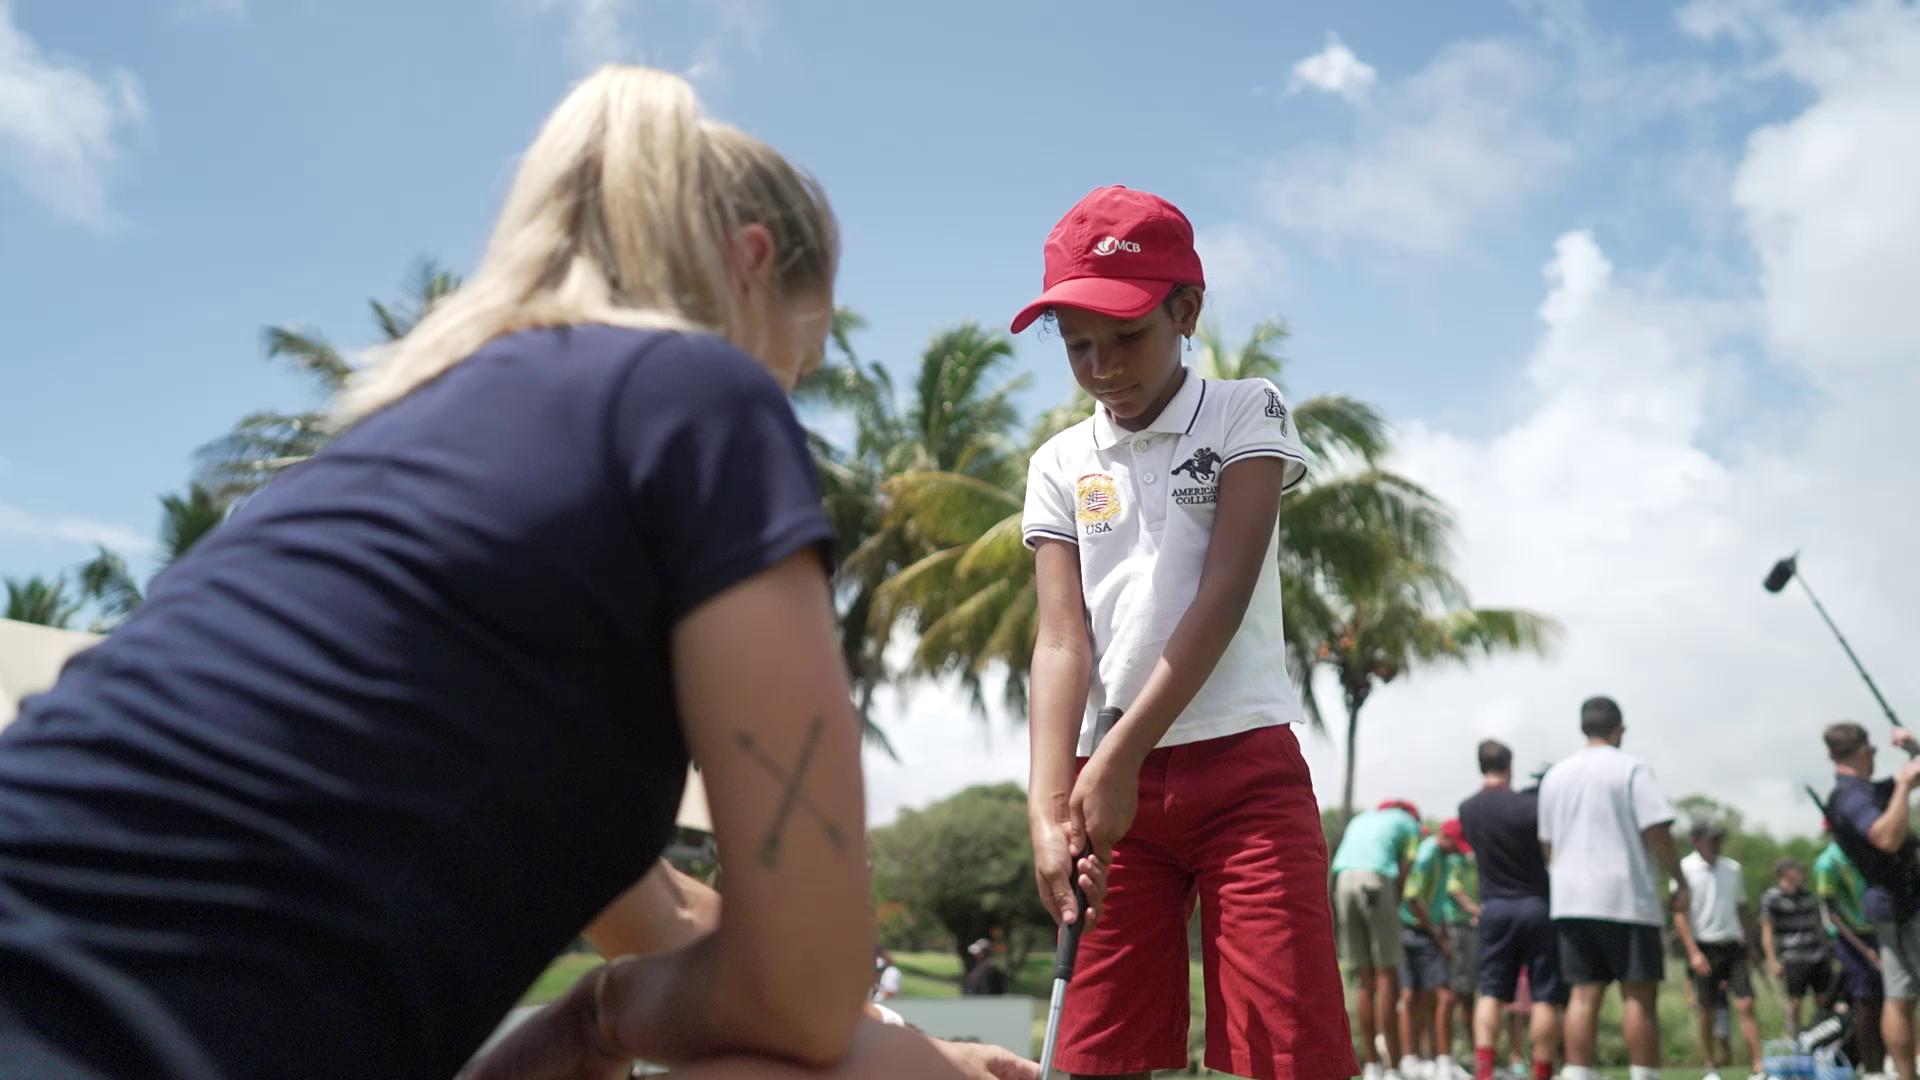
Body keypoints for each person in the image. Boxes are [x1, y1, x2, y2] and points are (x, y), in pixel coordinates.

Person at [0, 65, 1107, 1080]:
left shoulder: (399, 462)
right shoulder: (696, 396)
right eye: (797, 364)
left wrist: (601, 1016)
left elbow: (660, 910)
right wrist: (631, 1013)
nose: (783, 400)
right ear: (752, 267)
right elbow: (802, 1005)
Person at [1016, 184, 1357, 1080]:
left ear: (1187, 310)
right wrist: (1048, 807)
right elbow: (1061, 644)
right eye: (1077, 345)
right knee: (1095, 1055)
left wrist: (1123, 755)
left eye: (1127, 336)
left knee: (1288, 1053)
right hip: (1106, 794)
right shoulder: (1057, 464)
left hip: (1243, 773)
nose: (1102, 366)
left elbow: (1225, 588)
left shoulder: (1248, 411)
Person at [1538, 696, 1689, 1080]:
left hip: (1571, 899)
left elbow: (1547, 843)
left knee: (1583, 994)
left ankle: (1577, 1074)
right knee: (1638, 995)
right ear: (1619, 729)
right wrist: (1678, 877)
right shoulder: (1632, 768)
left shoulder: (1556, 775)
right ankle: (1643, 1075)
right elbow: (1656, 828)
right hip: (1626, 897)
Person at [1458, 739, 1566, 1080]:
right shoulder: (1530, 807)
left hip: (1494, 907)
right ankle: (1542, 1072)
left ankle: (1485, 1071)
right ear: (1510, 764)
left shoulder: (1467, 809)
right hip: (1536, 905)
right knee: (1544, 995)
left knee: (1490, 992)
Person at [1824, 722, 1920, 1080]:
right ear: (1863, 751)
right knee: (1900, 996)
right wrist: (1905, 787)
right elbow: (1885, 837)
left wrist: (1914, 750)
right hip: (1900, 905)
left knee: (1901, 996)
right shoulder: (1852, 796)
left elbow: (1911, 776)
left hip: (1891, 904)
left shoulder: (1860, 791)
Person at [1334, 801, 1426, 1080]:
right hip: (1376, 881)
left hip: (1342, 882)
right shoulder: (1410, 823)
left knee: (1365, 978)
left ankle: (1371, 1065)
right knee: (1387, 975)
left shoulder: (1362, 819)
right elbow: (1408, 866)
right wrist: (1397, 900)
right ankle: (1394, 1068)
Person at [1674, 820, 1763, 1080]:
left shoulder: (1732, 868)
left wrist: (1751, 944)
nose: (1716, 843)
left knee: (1746, 1003)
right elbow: (1679, 915)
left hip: (1733, 944)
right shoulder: (1684, 869)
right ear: (1697, 841)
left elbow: (1741, 908)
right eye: (1711, 839)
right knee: (1707, 1008)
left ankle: (1758, 1065)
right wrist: (1693, 952)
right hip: (1703, 945)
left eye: (1718, 839)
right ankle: (1710, 1065)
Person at [1397, 821, 1471, 1080]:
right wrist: (1438, 936)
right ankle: (1438, 1061)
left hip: (1423, 931)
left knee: (1421, 997)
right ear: (1445, 836)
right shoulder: (1428, 854)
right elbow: (1413, 896)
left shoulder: (1441, 855)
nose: (1456, 852)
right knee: (1440, 996)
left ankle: (1425, 1059)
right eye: (1455, 845)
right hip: (1418, 932)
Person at [1814, 826, 1886, 1076]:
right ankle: (1871, 1069)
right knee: (1866, 1001)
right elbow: (1831, 914)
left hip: (1878, 932)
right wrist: (1865, 950)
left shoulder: (1863, 854)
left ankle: (1886, 1060)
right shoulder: (1827, 863)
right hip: (1851, 939)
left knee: (1888, 999)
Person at [1762, 857, 1835, 1039]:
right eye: (1797, 870)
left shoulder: (1808, 897)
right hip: (1793, 957)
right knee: (1795, 1003)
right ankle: (1795, 1039)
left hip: (1817, 956)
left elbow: (1818, 927)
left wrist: (1828, 950)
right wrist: (1772, 960)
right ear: (1785, 873)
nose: (1802, 874)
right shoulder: (1772, 898)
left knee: (1824, 1000)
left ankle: (1822, 1037)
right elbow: (1767, 930)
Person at [1438, 833, 1482, 1080]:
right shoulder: (1453, 862)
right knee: (1455, 994)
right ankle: (1446, 1057)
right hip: (1456, 929)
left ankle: (1467, 1056)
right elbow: (1454, 890)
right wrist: (1477, 910)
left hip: (1467, 929)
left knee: (1467, 994)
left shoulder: (1466, 860)